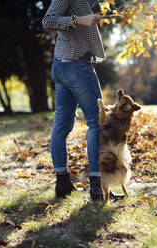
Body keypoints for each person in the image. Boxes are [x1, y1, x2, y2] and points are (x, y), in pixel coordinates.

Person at [42, 0, 123, 201]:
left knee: (61, 126)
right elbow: (47, 21)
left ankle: (63, 184)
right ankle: (98, 187)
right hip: (77, 66)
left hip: (62, 66)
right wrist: (79, 20)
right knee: (97, 123)